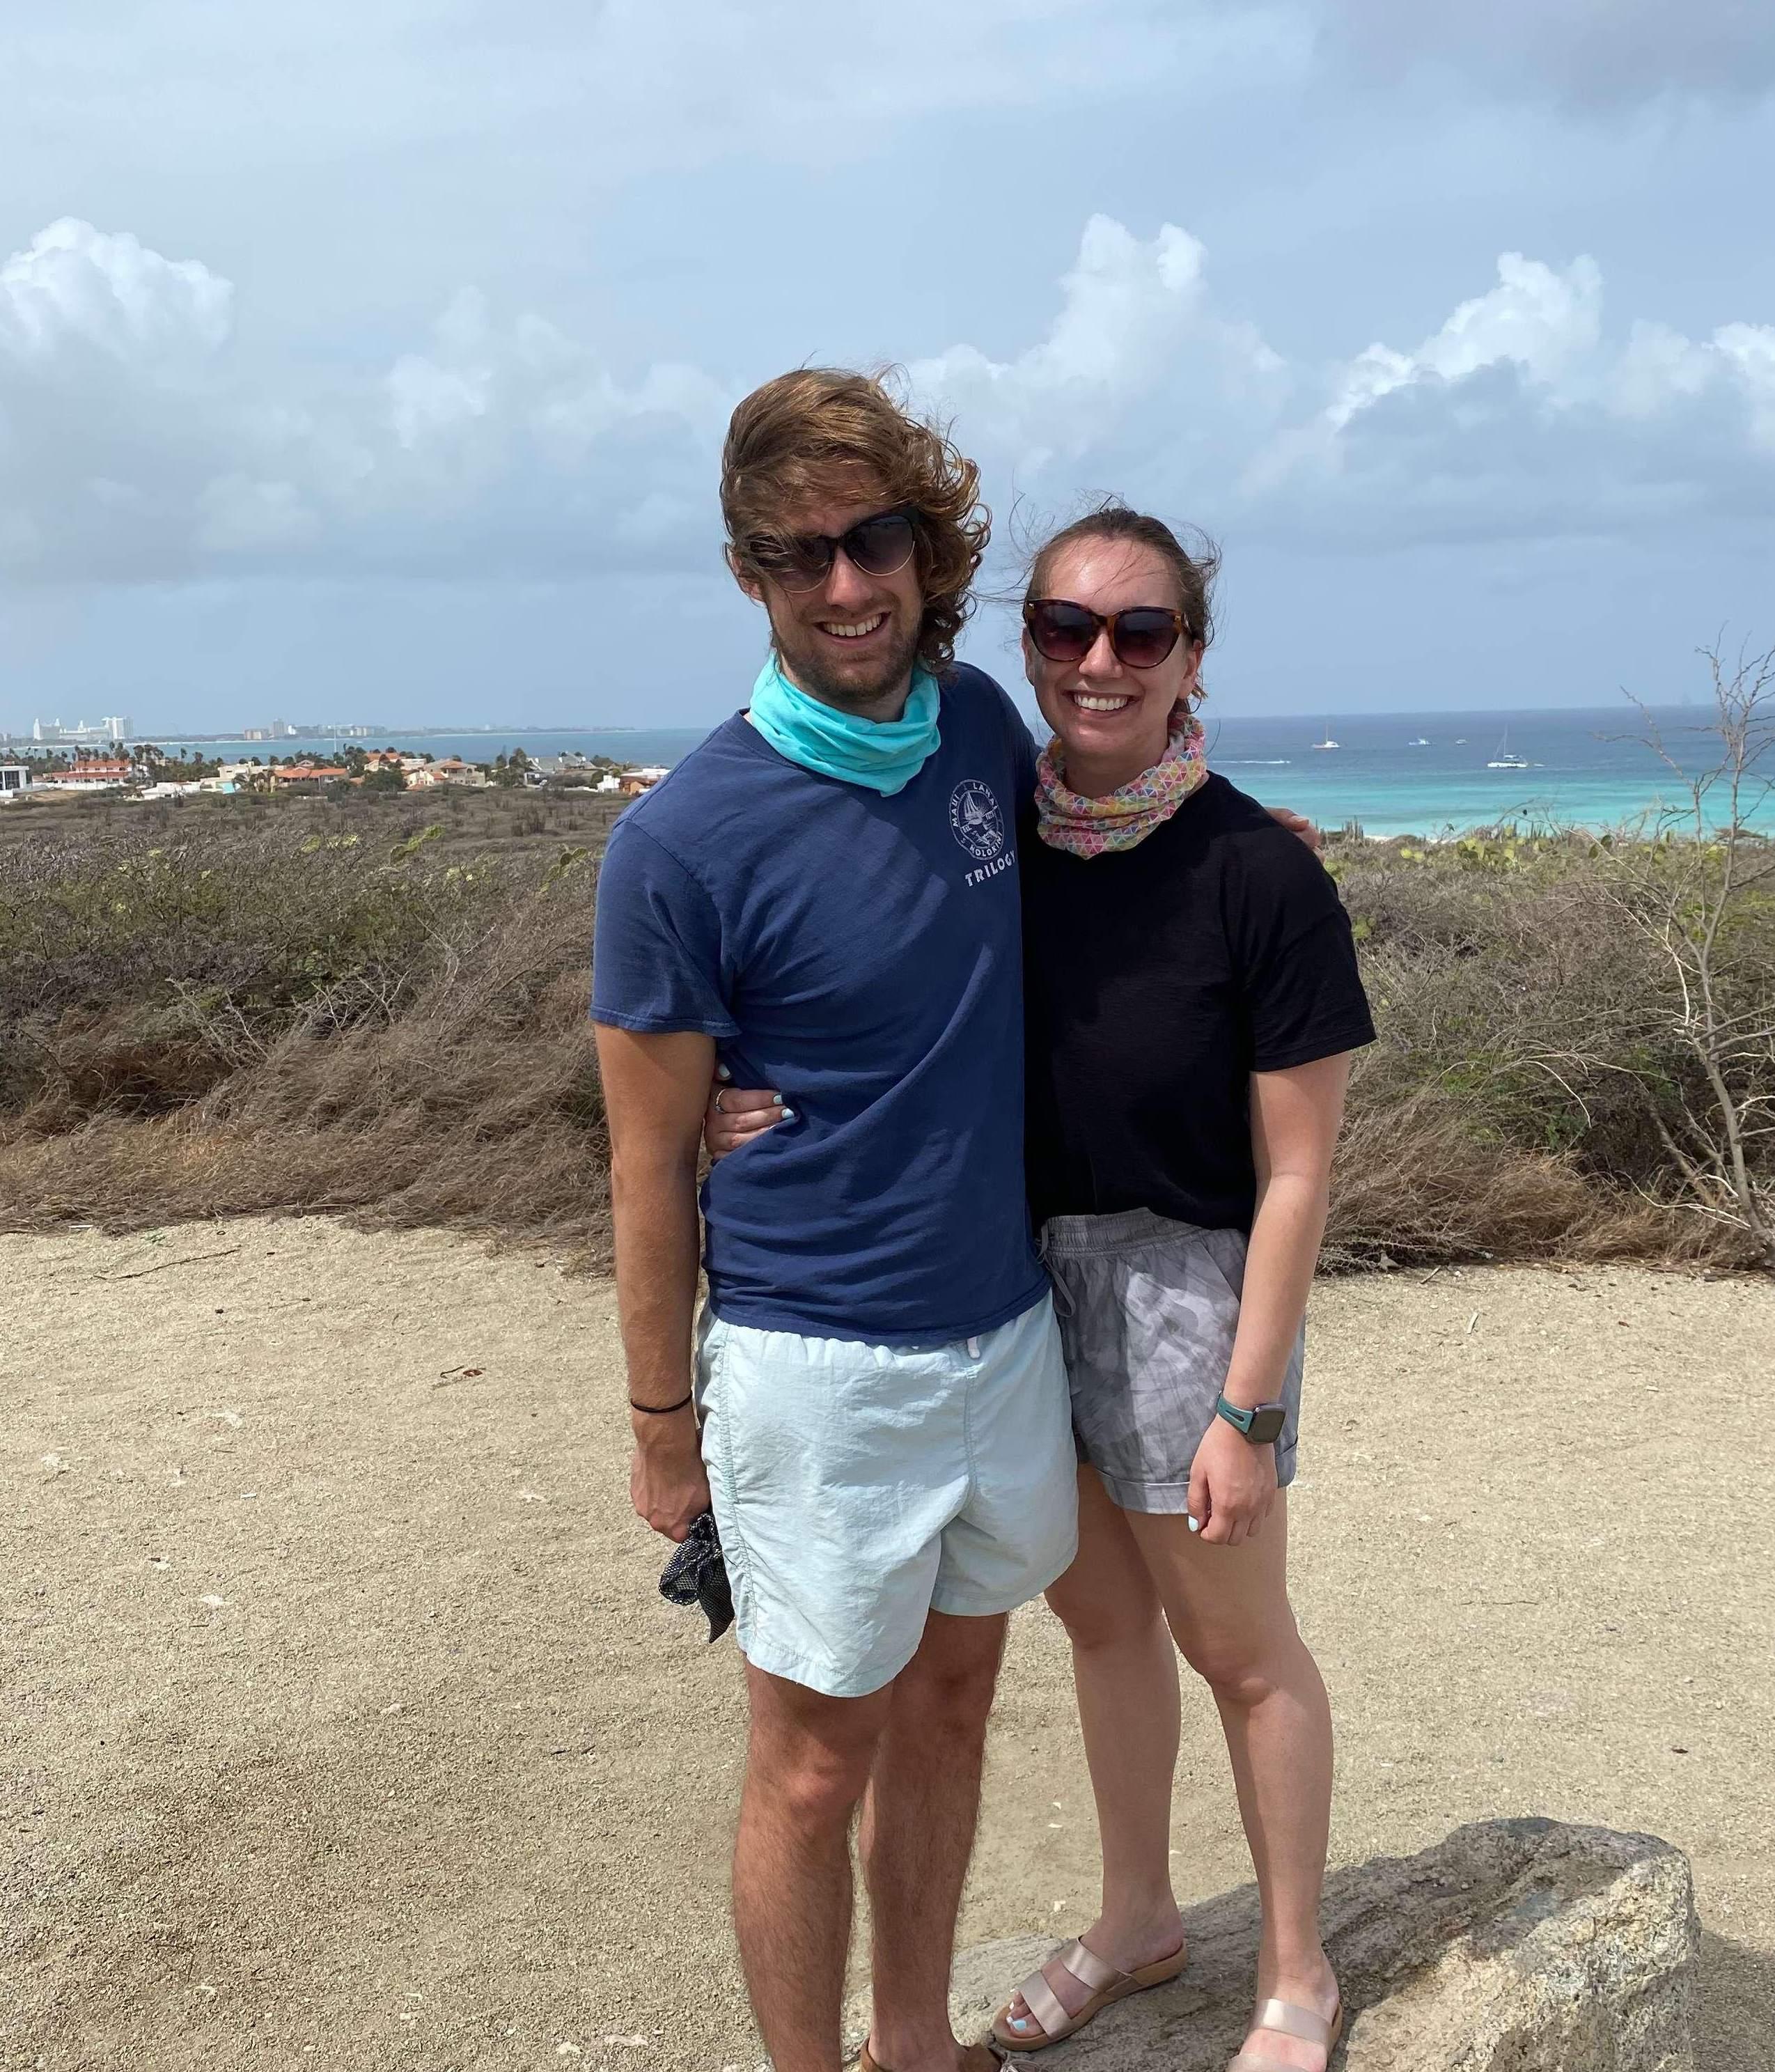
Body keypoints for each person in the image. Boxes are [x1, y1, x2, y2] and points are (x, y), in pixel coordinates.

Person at [714, 506, 1375, 2072]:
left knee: (1240, 1644)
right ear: (1024, 646)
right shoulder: (997, 820)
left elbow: (1297, 1173)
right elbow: (850, 945)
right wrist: (734, 1086)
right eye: (1066, 629)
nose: (1098, 662)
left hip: (1180, 1288)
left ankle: (1295, 1973)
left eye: (1140, 634)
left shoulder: (1256, 877)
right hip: (1014, 1277)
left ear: (1191, 658)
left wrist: (1248, 1403)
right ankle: (1139, 1914)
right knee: (1096, 1620)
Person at [589, 368, 1078, 2072]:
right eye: (798, 556)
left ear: (927, 550)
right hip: (814, 1368)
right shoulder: (681, 842)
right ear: (751, 576)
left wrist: (1248, 855)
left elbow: (1090, 903)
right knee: (809, 1762)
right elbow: (645, 1164)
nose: (846, 585)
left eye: (874, 541)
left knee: (953, 1708)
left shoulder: (986, 732)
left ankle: (918, 2042)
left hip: (1003, 1333)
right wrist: (664, 1430)